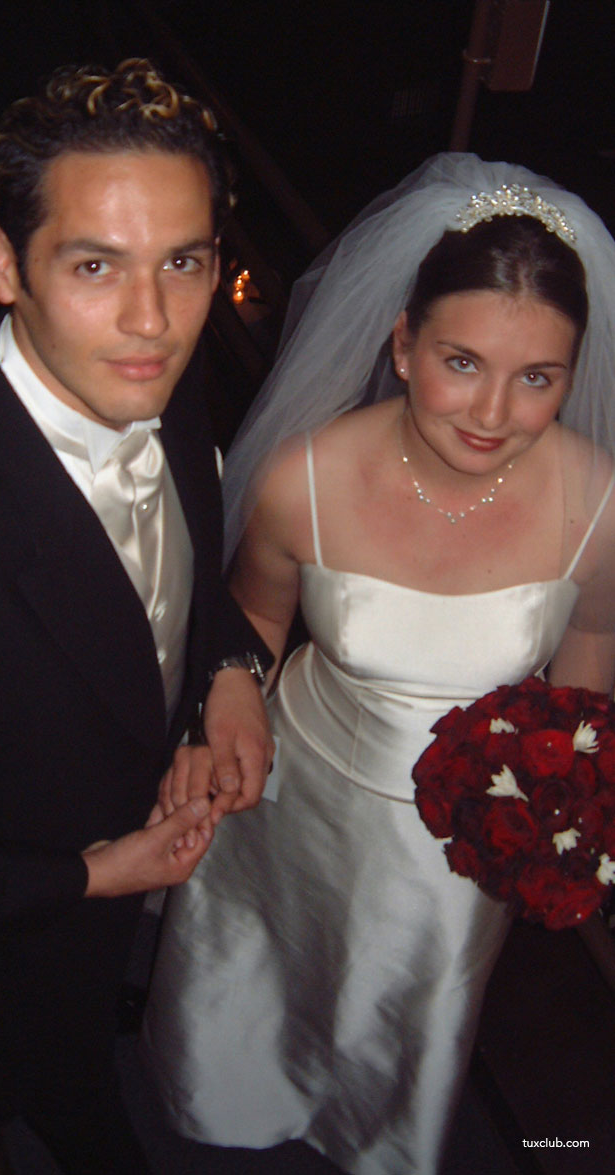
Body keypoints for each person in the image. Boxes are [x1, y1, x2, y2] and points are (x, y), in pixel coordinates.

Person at [142, 154, 615, 1174]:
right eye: (461, 361)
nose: (492, 412)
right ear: (402, 345)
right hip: (296, 792)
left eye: (537, 378)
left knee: (405, 1023)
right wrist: (223, 716)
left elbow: (587, 662)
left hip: (462, 848)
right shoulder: (305, 477)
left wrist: (564, 800)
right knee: (260, 984)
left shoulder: (598, 503)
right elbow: (253, 623)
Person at [0, 59, 272, 1175]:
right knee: (26, 1074)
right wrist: (92, 875)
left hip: (112, 858)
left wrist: (225, 674)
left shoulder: (144, 367)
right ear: (1, 263)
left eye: (184, 260)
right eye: (93, 264)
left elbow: (175, 572)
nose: (153, 318)